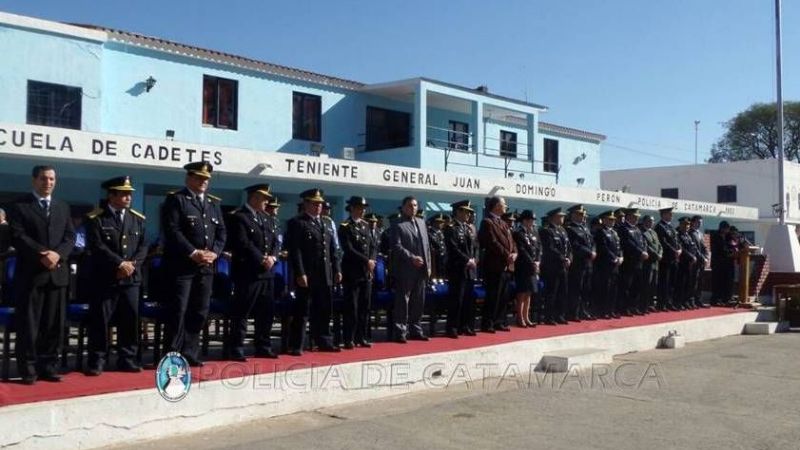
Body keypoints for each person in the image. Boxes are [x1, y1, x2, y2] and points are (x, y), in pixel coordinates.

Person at [8, 165, 75, 384]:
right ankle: (28, 369)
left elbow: (70, 237)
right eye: (43, 179)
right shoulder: (19, 206)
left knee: (53, 325)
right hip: (31, 275)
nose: (48, 183)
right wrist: (41, 254)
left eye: (52, 179)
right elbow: (18, 236)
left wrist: (57, 255)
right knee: (30, 324)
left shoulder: (62, 207)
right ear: (34, 180)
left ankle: (49, 366)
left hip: (57, 273)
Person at [161, 161, 227, 366]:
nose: (203, 182)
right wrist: (193, 252)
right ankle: (172, 353)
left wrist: (214, 253)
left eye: (206, 179)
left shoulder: (213, 203)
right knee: (178, 310)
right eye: (199, 178)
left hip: (206, 266)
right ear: (189, 178)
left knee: (199, 310)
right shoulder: (176, 200)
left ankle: (190, 352)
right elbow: (173, 231)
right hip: (182, 266)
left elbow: (221, 232)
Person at [84, 176, 148, 375]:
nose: (128, 197)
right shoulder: (96, 218)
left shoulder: (137, 219)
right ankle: (98, 359)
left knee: (130, 319)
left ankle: (127, 358)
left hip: (131, 279)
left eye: (129, 194)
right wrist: (119, 263)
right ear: (111, 195)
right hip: (106, 278)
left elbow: (143, 246)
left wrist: (132, 265)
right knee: (101, 321)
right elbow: (97, 246)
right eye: (123, 193)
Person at [226, 184, 280, 361]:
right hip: (248, 272)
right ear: (254, 197)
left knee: (266, 312)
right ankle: (236, 347)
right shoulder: (239, 217)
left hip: (267, 273)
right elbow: (242, 243)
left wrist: (273, 257)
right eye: (264, 199)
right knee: (242, 312)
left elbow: (275, 241)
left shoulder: (267, 218)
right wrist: (261, 259)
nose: (267, 202)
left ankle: (263, 345)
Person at [285, 189, 342, 354]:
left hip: (325, 273)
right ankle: (297, 344)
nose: (318, 207)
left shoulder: (325, 223)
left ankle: (324, 340)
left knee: (324, 309)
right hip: (308, 274)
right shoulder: (297, 222)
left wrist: (337, 269)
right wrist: (300, 272)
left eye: (320, 204)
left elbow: (333, 250)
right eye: (315, 204)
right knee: (303, 310)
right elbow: (295, 251)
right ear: (306, 204)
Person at [388, 196, 431, 342]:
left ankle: (416, 329)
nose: (413, 208)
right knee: (403, 301)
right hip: (405, 268)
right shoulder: (397, 224)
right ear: (403, 207)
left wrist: (428, 266)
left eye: (415, 205)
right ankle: (400, 331)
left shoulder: (421, 222)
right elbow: (396, 246)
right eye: (409, 206)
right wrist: (412, 257)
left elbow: (426, 247)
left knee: (419, 300)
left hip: (421, 268)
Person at [338, 196, 377, 349]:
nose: (362, 211)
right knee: (351, 307)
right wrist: (366, 260)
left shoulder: (366, 226)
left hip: (366, 272)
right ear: (352, 208)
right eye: (359, 208)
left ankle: (362, 337)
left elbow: (373, 246)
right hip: (352, 272)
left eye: (363, 208)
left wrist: (372, 260)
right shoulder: (345, 226)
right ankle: (349, 338)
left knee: (364, 307)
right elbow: (348, 249)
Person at [478, 196, 517, 332]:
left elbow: (512, 242)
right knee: (493, 296)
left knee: (504, 296)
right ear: (496, 206)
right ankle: (488, 323)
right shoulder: (487, 222)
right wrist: (507, 255)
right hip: (495, 265)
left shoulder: (504, 223)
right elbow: (492, 242)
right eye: (503, 204)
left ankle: (499, 321)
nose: (506, 206)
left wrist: (514, 253)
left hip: (507, 266)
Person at [444, 200, 478, 338]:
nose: (468, 215)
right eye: (465, 211)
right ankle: (452, 327)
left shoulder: (469, 228)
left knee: (468, 299)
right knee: (456, 299)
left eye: (469, 212)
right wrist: (467, 260)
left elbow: (475, 246)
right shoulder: (450, 228)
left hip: (470, 269)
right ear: (458, 211)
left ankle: (465, 325)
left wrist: (475, 259)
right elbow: (453, 248)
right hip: (458, 268)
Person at [539, 208, 572, 325]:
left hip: (563, 267)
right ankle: (549, 317)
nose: (563, 218)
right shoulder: (546, 230)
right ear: (553, 217)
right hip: (552, 267)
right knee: (552, 292)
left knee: (562, 292)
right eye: (560, 216)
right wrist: (563, 258)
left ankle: (560, 315)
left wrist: (569, 258)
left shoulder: (563, 230)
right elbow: (550, 249)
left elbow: (569, 247)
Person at [565, 204, 595, 321]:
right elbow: (575, 246)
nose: (583, 217)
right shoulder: (570, 228)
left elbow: (592, 242)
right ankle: (573, 313)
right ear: (573, 215)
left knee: (585, 288)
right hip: (578, 263)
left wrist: (593, 251)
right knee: (576, 289)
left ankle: (583, 310)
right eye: (580, 214)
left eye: (583, 215)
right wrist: (589, 252)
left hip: (588, 263)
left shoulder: (585, 228)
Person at [513, 209, 541, 328]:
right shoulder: (518, 233)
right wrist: (532, 262)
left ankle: (526, 317)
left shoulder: (533, 232)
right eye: (530, 220)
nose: (532, 223)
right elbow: (522, 250)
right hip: (523, 267)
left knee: (529, 293)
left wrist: (538, 261)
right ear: (524, 220)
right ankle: (520, 318)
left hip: (533, 267)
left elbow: (539, 247)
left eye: (533, 220)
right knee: (522, 293)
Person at [619, 208, 648, 316]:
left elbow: (643, 241)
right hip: (629, 261)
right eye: (634, 217)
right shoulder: (623, 228)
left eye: (637, 217)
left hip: (639, 261)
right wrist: (640, 252)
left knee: (637, 285)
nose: (636, 219)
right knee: (627, 286)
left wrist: (644, 250)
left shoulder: (637, 229)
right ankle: (624, 308)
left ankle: (633, 306)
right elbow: (628, 243)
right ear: (628, 217)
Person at [593, 210, 622, 319]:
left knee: (613, 289)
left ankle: (611, 310)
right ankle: (603, 310)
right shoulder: (601, 232)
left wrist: (620, 256)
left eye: (613, 220)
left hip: (615, 265)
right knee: (605, 288)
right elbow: (603, 248)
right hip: (605, 264)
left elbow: (619, 247)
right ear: (604, 220)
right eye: (610, 220)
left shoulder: (614, 232)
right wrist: (614, 258)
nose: (612, 221)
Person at [655, 207, 682, 311]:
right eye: (669, 214)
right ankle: (662, 303)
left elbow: (676, 240)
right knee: (664, 282)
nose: (671, 216)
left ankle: (669, 301)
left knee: (672, 282)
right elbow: (663, 242)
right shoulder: (660, 227)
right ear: (663, 215)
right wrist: (674, 251)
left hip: (674, 259)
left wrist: (679, 249)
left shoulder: (671, 227)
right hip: (666, 259)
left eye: (671, 214)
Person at [639, 215, 662, 313]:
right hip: (648, 262)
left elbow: (659, 245)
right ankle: (643, 305)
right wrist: (656, 254)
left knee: (654, 284)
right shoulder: (642, 232)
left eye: (652, 221)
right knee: (646, 284)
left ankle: (650, 304)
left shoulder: (654, 232)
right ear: (645, 221)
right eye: (649, 221)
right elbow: (647, 246)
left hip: (655, 263)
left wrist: (660, 253)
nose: (651, 223)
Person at [676, 217, 699, 310]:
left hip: (690, 263)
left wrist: (694, 257)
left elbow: (693, 248)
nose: (687, 226)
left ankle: (685, 301)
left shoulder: (688, 236)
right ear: (680, 225)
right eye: (685, 224)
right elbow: (683, 249)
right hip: (682, 263)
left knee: (688, 284)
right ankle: (679, 302)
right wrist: (691, 257)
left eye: (688, 224)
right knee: (681, 283)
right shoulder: (678, 235)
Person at [710, 221, 735, 305]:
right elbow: (717, 248)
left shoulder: (729, 236)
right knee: (717, 282)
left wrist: (733, 250)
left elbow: (732, 245)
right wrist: (728, 252)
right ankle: (715, 299)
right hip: (718, 263)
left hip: (727, 263)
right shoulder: (715, 235)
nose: (727, 230)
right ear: (722, 228)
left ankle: (726, 298)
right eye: (726, 228)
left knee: (727, 281)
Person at [689, 216, 710, 308]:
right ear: (693, 222)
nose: (699, 224)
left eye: (701, 222)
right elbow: (695, 249)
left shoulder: (700, 234)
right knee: (694, 282)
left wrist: (706, 256)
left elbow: (704, 247)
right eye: (698, 222)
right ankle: (691, 300)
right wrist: (702, 258)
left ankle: (698, 300)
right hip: (695, 261)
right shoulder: (690, 233)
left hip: (701, 261)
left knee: (700, 282)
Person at [427, 214, 447, 281]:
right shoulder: (430, 232)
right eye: (440, 222)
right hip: (434, 257)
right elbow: (436, 244)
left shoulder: (441, 232)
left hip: (442, 256)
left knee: (441, 272)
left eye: (442, 222)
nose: (442, 224)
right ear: (435, 223)